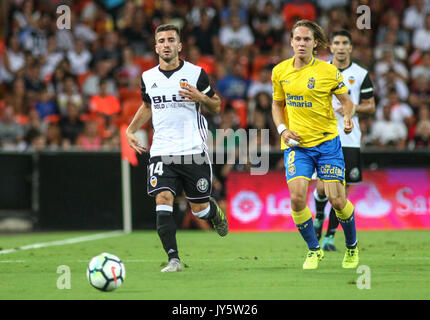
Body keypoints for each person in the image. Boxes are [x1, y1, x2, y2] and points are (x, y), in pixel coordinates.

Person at [126, 24, 228, 273]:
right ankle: (174, 259)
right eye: (161, 40)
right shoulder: (148, 78)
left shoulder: (196, 74)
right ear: (156, 47)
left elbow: (217, 106)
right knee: (163, 199)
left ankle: (215, 214)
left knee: (199, 209)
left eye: (171, 40)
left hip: (193, 150)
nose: (166, 44)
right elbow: (148, 106)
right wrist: (130, 129)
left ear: (179, 46)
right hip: (162, 151)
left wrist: (201, 98)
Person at [271, 20, 358, 270]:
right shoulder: (280, 71)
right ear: (291, 41)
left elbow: (347, 101)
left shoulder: (328, 72)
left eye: (306, 39)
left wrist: (349, 116)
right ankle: (313, 250)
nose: (301, 43)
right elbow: (277, 104)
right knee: (297, 198)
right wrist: (282, 130)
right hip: (297, 146)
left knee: (336, 199)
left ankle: (352, 247)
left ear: (315, 43)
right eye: (297, 39)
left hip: (327, 143)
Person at [313, 30, 375, 251]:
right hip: (324, 137)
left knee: (341, 192)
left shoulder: (360, 74)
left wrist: (352, 107)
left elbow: (371, 106)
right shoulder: (320, 71)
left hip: (349, 139)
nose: (340, 47)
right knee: (322, 189)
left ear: (350, 47)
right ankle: (319, 216)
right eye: (336, 43)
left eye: (345, 43)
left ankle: (329, 237)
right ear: (330, 47)